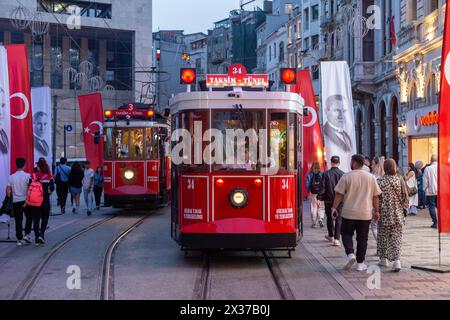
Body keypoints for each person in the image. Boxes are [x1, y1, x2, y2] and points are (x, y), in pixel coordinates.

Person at [331, 154, 382, 272]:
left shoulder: (346, 176)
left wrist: (334, 208)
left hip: (349, 212)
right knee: (362, 239)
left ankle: (350, 254)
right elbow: (376, 197)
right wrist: (377, 211)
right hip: (365, 213)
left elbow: (339, 194)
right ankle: (360, 263)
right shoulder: (371, 177)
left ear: (354, 163)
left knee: (346, 234)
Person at [377, 159, 407, 272]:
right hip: (397, 214)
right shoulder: (399, 180)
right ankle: (397, 261)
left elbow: (376, 198)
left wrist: (376, 211)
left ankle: (384, 259)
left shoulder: (379, 181)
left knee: (383, 236)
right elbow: (405, 198)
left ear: (385, 168)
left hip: (383, 213)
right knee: (396, 237)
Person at [319, 156, 344, 247]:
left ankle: (331, 235)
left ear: (331, 162)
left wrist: (319, 197)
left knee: (329, 217)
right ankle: (337, 239)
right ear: (339, 163)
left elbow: (322, 187)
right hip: (340, 200)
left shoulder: (326, 174)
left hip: (328, 200)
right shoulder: (343, 174)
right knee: (339, 219)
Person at [7, 158, 32, 246]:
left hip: (16, 201)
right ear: (24, 165)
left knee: (18, 220)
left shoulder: (11, 177)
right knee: (29, 217)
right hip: (26, 200)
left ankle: (19, 239)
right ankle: (27, 234)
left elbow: (8, 192)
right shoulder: (28, 176)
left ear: (16, 165)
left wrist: (11, 195)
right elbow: (30, 189)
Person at [29, 158, 55, 245]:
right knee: (45, 217)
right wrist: (48, 191)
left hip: (35, 201)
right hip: (45, 200)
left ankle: (36, 238)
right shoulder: (48, 176)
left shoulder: (33, 176)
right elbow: (52, 188)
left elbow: (29, 187)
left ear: (39, 167)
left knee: (36, 218)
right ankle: (41, 235)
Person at [369, 156, 385, 241]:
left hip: (375, 204)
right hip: (385, 204)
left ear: (377, 165)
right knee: (381, 226)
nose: (371, 166)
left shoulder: (374, 178)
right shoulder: (385, 177)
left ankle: (380, 244)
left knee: (374, 225)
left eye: (372, 164)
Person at [306, 162, 325, 228]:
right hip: (321, 193)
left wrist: (308, 191)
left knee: (314, 207)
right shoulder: (321, 174)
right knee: (321, 207)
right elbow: (324, 184)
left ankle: (314, 223)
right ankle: (321, 218)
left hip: (313, 193)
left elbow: (307, 184)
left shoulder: (310, 174)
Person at [423, 155, 438, 229]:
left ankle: (435, 222)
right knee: (441, 207)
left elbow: (425, 181)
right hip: (441, 191)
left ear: (431, 160)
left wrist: (424, 189)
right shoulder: (442, 167)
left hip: (430, 191)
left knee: (431, 206)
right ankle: (442, 222)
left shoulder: (427, 169)